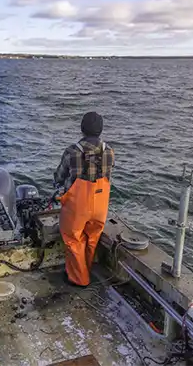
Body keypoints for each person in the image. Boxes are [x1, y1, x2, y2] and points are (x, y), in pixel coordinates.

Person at [53, 111, 115, 287]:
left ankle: (79, 278)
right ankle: (87, 268)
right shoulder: (109, 151)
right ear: (101, 130)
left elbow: (59, 176)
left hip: (77, 205)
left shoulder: (72, 151)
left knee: (73, 239)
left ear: (82, 129)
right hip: (100, 203)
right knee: (93, 236)